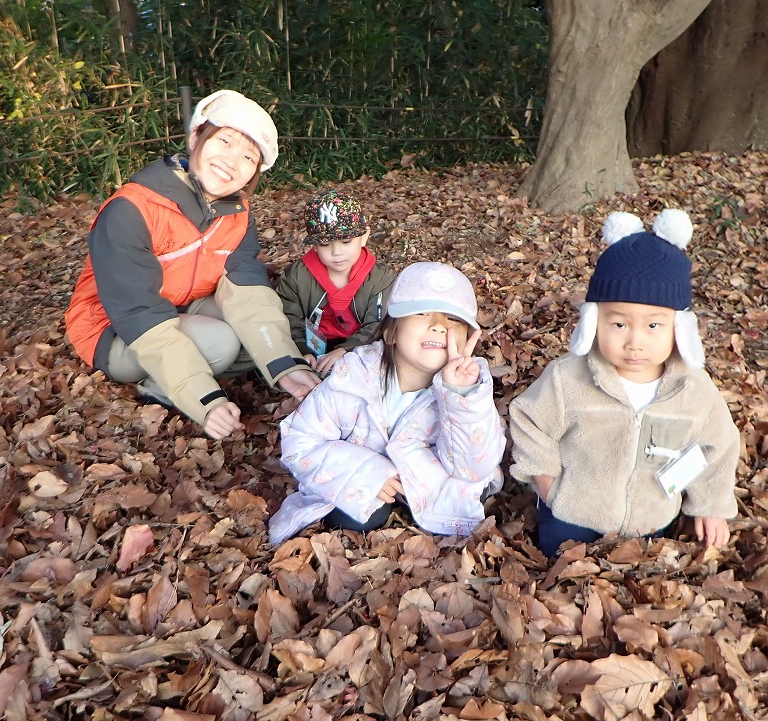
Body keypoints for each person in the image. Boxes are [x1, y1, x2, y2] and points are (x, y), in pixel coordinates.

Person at [63, 89, 320, 440]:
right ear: (196, 136)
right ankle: (160, 389)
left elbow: (247, 291)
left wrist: (285, 365)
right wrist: (205, 400)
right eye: (225, 141)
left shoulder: (236, 213)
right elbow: (139, 312)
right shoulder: (131, 210)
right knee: (222, 343)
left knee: (260, 337)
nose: (232, 161)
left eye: (248, 156)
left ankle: (189, 368)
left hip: (182, 307)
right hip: (113, 328)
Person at [508, 209, 740, 558]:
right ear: (594, 321)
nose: (635, 342)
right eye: (619, 324)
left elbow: (717, 447)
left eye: (653, 326)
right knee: (562, 568)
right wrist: (546, 481)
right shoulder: (568, 378)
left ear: (679, 328)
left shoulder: (693, 391)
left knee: (638, 571)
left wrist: (710, 505)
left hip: (650, 519)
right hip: (571, 514)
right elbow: (529, 419)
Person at [268, 262, 506, 545]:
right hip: (362, 478)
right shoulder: (351, 378)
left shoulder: (468, 389)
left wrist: (460, 396)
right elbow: (301, 441)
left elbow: (473, 468)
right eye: (422, 313)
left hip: (432, 486)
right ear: (391, 332)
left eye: (453, 319)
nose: (439, 326)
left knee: (455, 503)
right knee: (356, 515)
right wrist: (367, 475)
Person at [277, 189, 397, 377]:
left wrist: (346, 350)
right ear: (315, 246)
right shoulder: (298, 275)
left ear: (364, 236)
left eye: (346, 241)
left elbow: (378, 323)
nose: (336, 252)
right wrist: (301, 349)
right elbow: (289, 316)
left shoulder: (380, 277)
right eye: (325, 244)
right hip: (311, 346)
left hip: (361, 346)